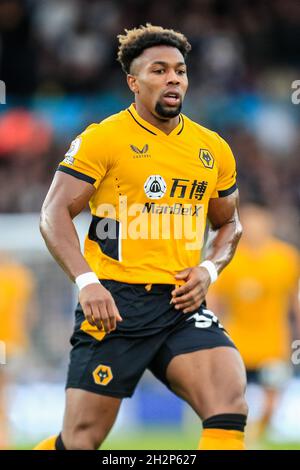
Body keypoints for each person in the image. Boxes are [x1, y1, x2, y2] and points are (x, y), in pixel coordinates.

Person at [34, 24, 247, 451]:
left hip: (180, 302)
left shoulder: (213, 148)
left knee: (229, 406)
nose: (174, 79)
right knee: (80, 440)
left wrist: (208, 268)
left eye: (181, 71)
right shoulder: (104, 138)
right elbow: (53, 212)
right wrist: (87, 282)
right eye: (159, 70)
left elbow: (230, 223)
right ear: (133, 81)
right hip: (115, 304)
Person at [207, 203, 300, 446]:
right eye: (249, 221)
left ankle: (254, 437)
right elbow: (214, 300)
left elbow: (296, 299)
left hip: (273, 342)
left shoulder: (287, 258)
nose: (255, 227)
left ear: (269, 223)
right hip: (236, 342)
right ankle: (237, 436)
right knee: (232, 398)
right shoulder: (230, 258)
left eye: (259, 221)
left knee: (272, 401)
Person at [0, 251, 35, 449]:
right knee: (4, 397)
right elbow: (30, 313)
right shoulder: (20, 275)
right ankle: (4, 440)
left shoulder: (13, 277)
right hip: (13, 344)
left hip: (3, 344)